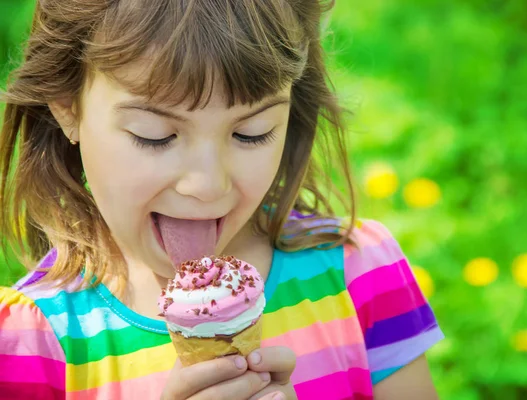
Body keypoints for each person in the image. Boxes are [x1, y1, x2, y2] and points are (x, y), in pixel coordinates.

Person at [0, 0, 444, 399]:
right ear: (67, 108)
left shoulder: (360, 272)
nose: (208, 184)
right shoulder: (33, 346)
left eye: (252, 133)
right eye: (155, 136)